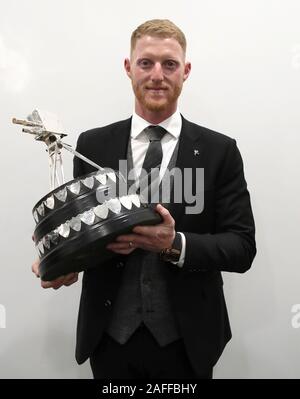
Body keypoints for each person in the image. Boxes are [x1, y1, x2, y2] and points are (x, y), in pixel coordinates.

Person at [32, 19, 256, 379]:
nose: (157, 75)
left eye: (169, 64)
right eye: (146, 62)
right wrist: (65, 261)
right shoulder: (91, 145)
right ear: (128, 67)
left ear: (186, 71)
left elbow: (242, 246)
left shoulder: (220, 151)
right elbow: (83, 233)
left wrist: (175, 244)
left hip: (189, 342)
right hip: (108, 338)